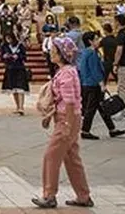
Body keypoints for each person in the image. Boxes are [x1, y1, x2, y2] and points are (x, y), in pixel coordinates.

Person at [32, 36, 93, 209]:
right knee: (71, 157)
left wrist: (66, 125)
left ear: (62, 54)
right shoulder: (68, 71)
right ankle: (83, 195)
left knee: (51, 156)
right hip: (71, 117)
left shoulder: (66, 73)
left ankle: (49, 194)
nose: (51, 53)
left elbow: (70, 101)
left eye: (54, 51)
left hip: (67, 118)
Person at [77, 31, 122, 139]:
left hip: (86, 82)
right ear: (90, 41)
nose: (98, 41)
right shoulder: (92, 53)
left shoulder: (84, 52)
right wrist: (101, 83)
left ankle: (112, 128)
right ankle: (85, 130)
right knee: (91, 108)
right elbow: (95, 70)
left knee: (101, 106)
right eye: (96, 39)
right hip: (93, 84)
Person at [0, 32, 29, 115]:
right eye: (6, 38)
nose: (8, 40)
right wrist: (5, 56)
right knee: (14, 88)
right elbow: (1, 57)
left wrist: (18, 56)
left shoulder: (20, 45)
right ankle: (17, 106)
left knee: (21, 88)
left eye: (10, 38)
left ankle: (21, 107)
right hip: (10, 68)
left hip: (19, 68)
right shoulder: (4, 46)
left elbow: (25, 57)